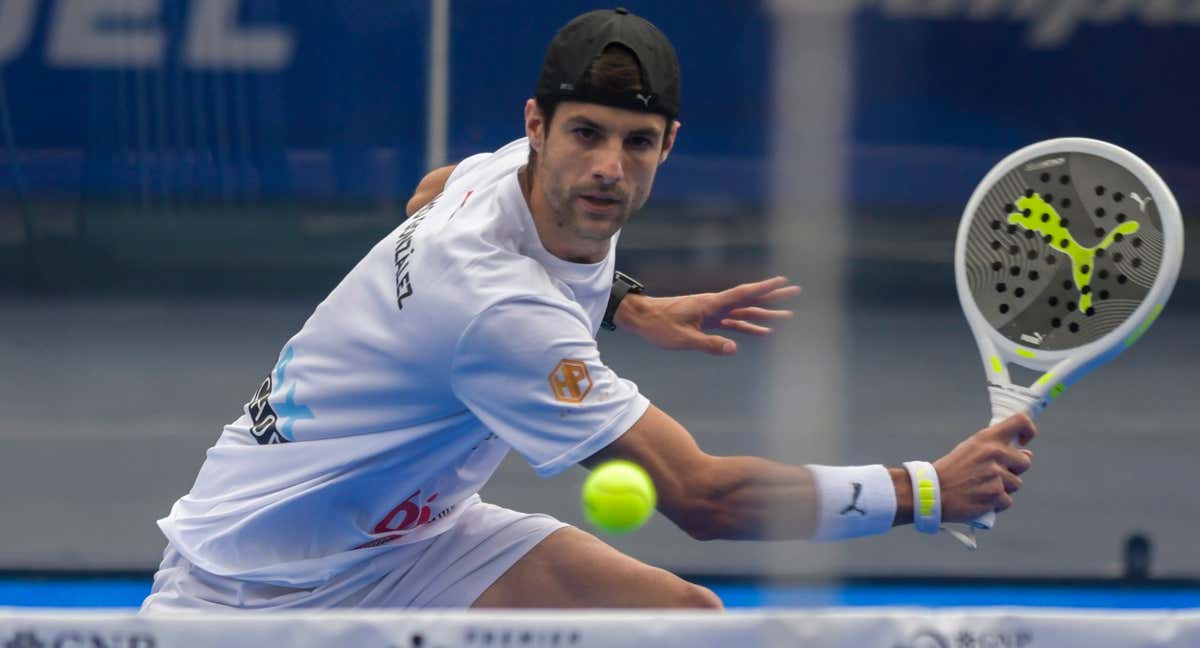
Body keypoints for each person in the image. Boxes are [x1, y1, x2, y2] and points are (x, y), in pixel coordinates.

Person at [141, 8, 1035, 612]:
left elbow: (429, 191)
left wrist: (627, 302)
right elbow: (703, 499)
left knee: (684, 621)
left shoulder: (502, 178)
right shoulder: (502, 318)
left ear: (669, 145)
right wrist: (927, 491)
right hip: (248, 587)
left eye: (635, 141)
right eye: (586, 134)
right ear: (538, 124)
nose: (609, 165)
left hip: (407, 541)